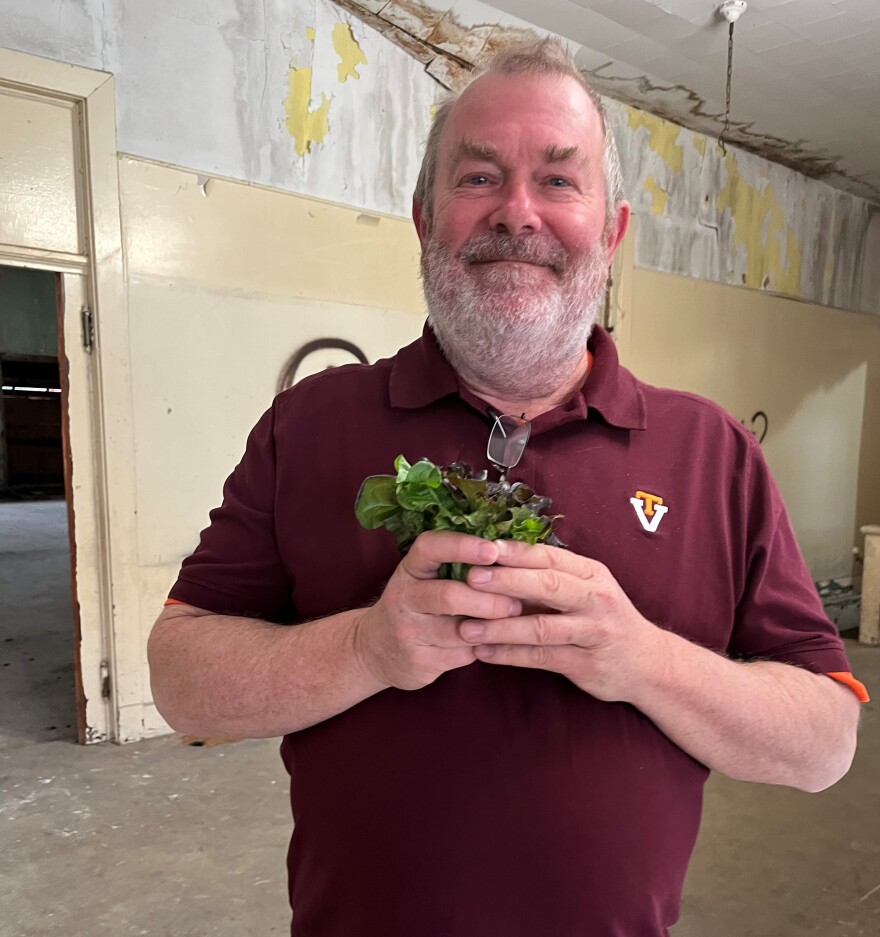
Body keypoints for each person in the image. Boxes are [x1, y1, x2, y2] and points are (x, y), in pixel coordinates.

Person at [148, 38, 867, 937]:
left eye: (560, 181)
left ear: (611, 231)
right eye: (479, 177)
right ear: (424, 216)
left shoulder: (714, 454)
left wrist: (639, 658)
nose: (518, 213)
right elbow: (180, 679)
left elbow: (825, 742)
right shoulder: (309, 427)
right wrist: (371, 648)